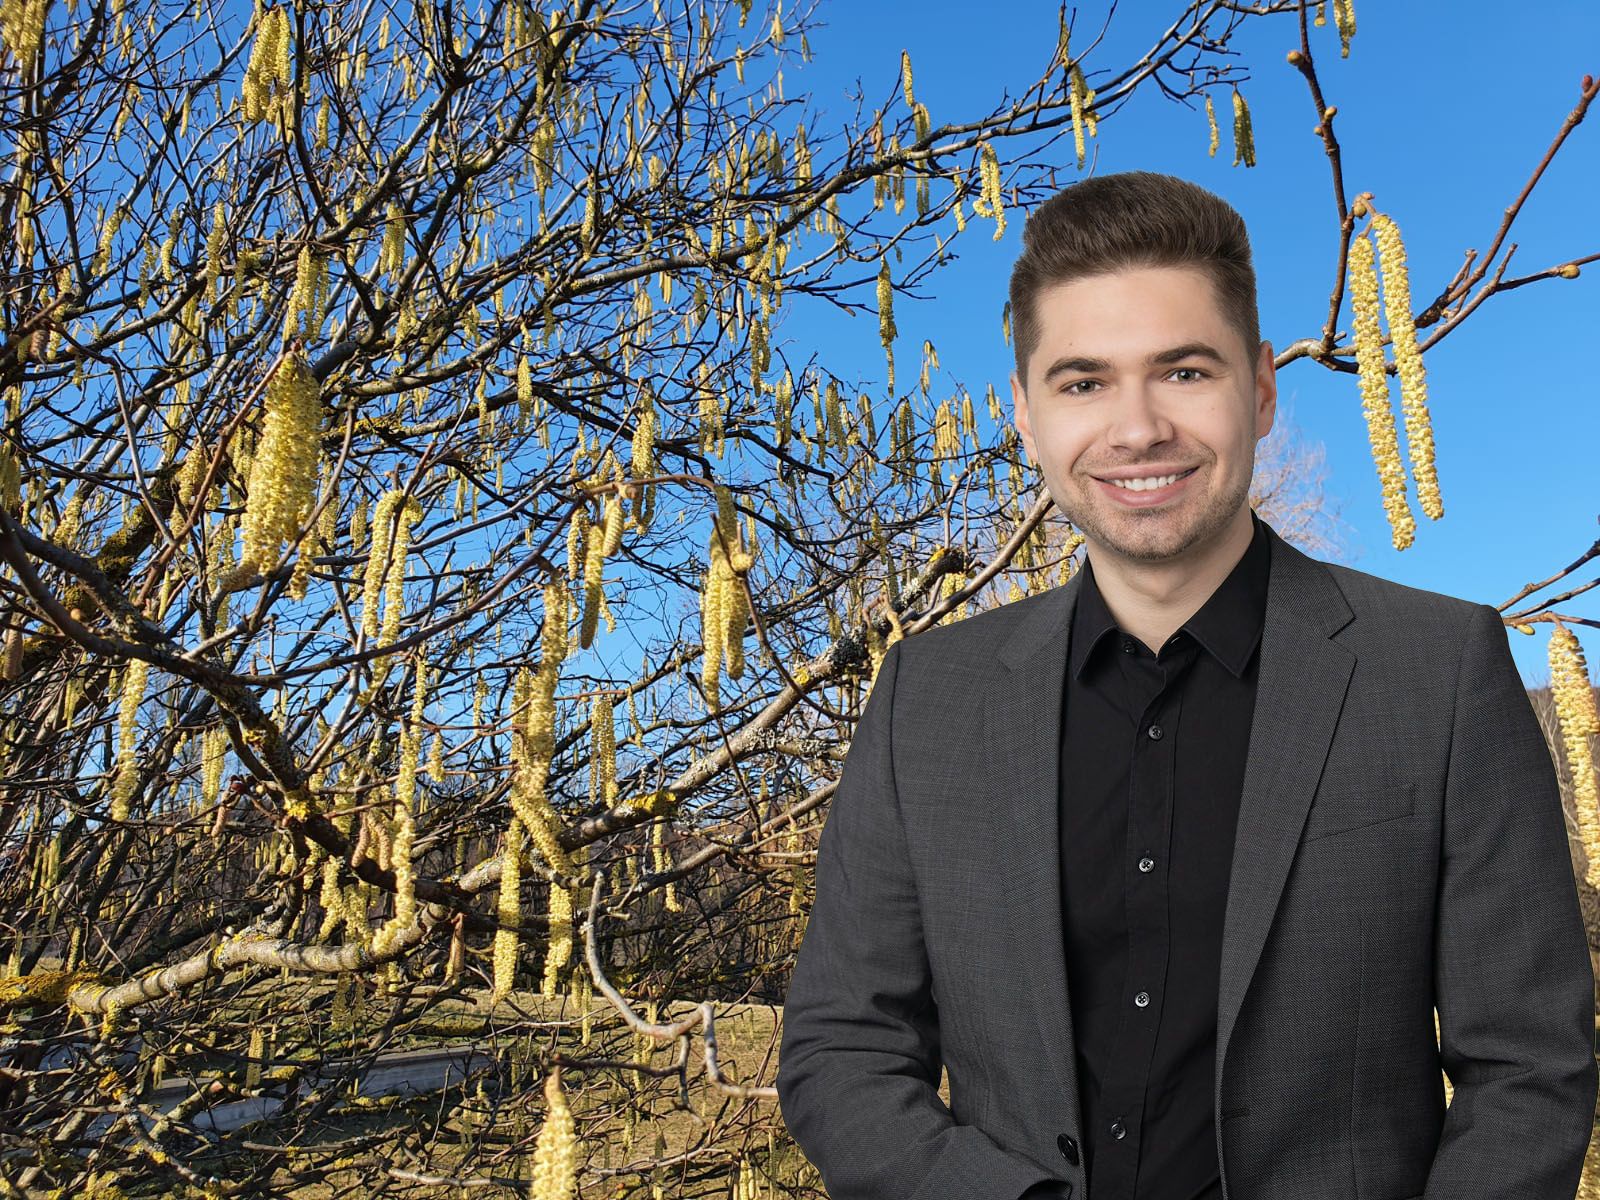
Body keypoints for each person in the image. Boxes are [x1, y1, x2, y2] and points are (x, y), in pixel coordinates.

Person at [775, 171, 1596, 1200]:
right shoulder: (925, 699)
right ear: (1025, 415)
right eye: (1082, 382)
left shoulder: (1438, 672)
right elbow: (842, 1050)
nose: (1136, 429)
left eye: (1183, 372)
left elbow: (1528, 1072)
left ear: (1257, 389)